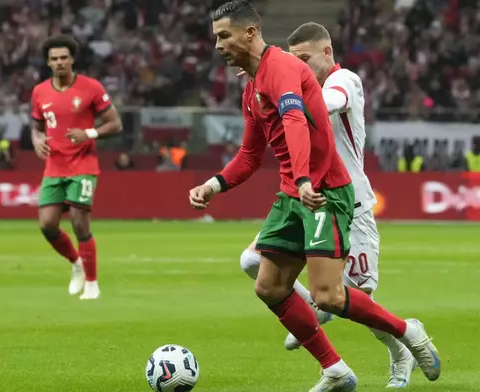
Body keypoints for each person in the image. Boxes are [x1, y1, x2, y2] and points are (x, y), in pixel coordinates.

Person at [188, 3, 440, 391]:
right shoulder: (255, 87)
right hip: (295, 193)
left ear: (251, 33)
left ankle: (408, 333)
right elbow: (250, 154)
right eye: (216, 37)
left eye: (224, 35)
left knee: (336, 295)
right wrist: (214, 184)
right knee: (266, 282)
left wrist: (305, 176)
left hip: (329, 193)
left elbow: (297, 118)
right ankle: (335, 369)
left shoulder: (305, 74)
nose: (217, 45)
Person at [237, 21, 420, 389]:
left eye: (304, 59)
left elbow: (327, 105)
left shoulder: (344, 80)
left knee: (356, 298)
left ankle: (402, 351)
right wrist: (265, 78)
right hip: (307, 201)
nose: (299, 67)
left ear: (326, 52)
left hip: (351, 206)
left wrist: (271, 82)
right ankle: (316, 312)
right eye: (293, 61)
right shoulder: (295, 82)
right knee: (253, 261)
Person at [31, 35, 122, 300]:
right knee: (47, 225)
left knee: (80, 223)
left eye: (63, 57)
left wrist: (90, 133)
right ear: (48, 63)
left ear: (72, 59)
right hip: (54, 167)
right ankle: (77, 263)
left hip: (83, 165)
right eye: (54, 59)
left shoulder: (91, 88)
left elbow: (115, 124)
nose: (59, 63)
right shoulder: (40, 92)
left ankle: (92, 284)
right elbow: (36, 127)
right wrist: (37, 141)